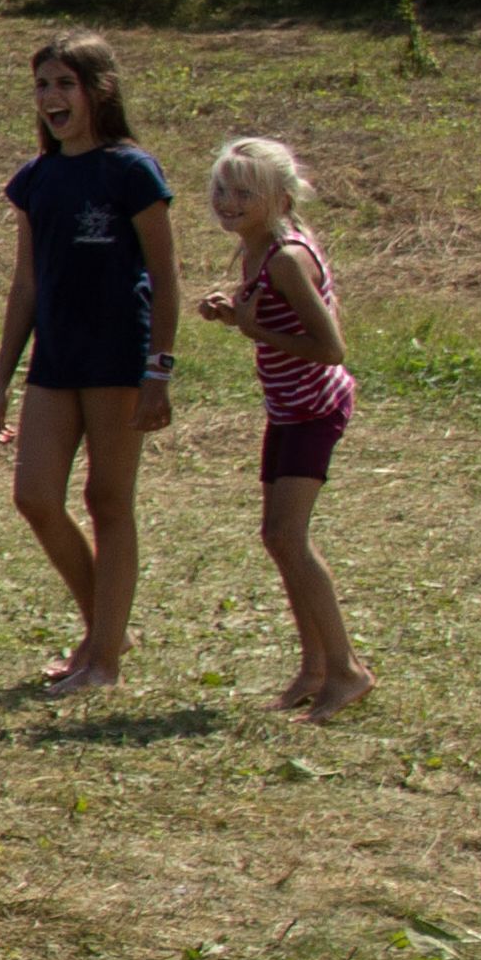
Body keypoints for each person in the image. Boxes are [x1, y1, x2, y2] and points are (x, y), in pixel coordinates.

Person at [0, 32, 180, 696]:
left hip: (119, 357)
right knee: (35, 496)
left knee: (107, 500)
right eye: (42, 85)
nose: (51, 98)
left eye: (65, 83)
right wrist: (0, 379)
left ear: (99, 89)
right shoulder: (36, 178)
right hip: (55, 358)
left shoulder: (132, 170)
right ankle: (105, 629)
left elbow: (166, 274)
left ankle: (104, 662)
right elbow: (26, 286)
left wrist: (160, 368)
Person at [196, 137, 372, 723]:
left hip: (314, 408)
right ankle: (315, 667)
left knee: (288, 535)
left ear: (279, 198)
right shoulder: (259, 249)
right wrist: (236, 312)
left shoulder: (286, 257)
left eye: (245, 192)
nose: (228, 200)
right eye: (222, 188)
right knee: (276, 536)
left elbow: (331, 347)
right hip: (288, 407)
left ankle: (346, 671)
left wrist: (254, 332)